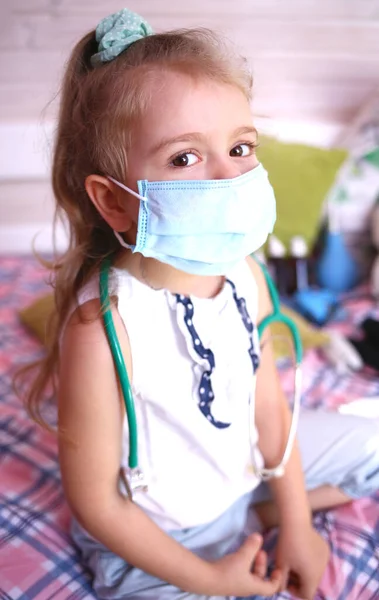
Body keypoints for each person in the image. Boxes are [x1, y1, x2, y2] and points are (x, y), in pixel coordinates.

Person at [24, 8, 379, 600]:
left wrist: (296, 522)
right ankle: (225, 544)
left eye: (241, 147)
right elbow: (97, 506)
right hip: (161, 528)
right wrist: (213, 579)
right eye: (185, 158)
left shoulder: (247, 273)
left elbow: (269, 403)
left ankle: (253, 521)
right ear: (115, 203)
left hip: (244, 475)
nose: (229, 180)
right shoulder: (103, 327)